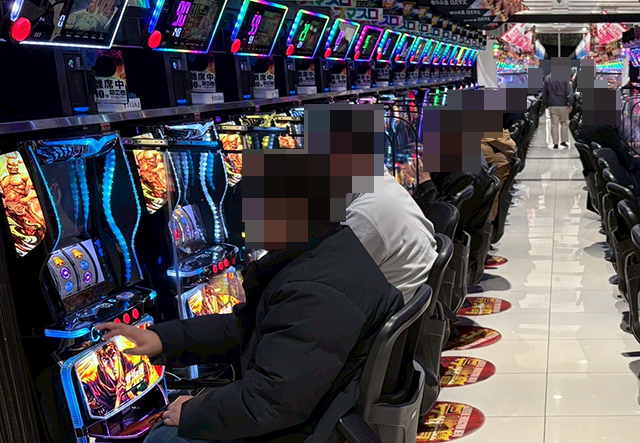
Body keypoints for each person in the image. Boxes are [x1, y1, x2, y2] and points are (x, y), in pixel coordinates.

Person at [345, 166, 438, 303]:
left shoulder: (364, 215)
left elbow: (328, 278)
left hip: (389, 309)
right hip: (411, 300)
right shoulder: (387, 186)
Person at [542, 73, 574, 149]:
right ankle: (564, 141)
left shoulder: (548, 78)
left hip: (552, 104)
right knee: (564, 123)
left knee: (554, 124)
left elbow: (545, 92)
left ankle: (555, 143)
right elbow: (569, 92)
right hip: (564, 104)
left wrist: (546, 104)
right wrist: (570, 104)